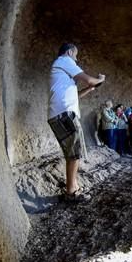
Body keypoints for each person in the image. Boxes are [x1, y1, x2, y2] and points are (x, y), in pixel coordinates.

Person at [47, 43, 105, 201]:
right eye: (76, 55)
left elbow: (76, 96)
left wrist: (89, 89)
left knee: (73, 153)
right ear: (70, 51)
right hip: (64, 114)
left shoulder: (60, 68)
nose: (76, 58)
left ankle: (73, 187)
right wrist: (99, 79)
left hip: (60, 113)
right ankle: (71, 192)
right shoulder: (65, 60)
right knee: (74, 153)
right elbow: (90, 80)